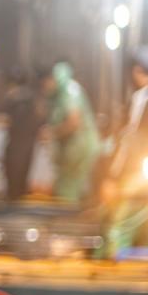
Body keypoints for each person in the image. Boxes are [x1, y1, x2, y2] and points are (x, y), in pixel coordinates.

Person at [102, 46, 148, 254]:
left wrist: (112, 177)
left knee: (119, 227)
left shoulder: (142, 98)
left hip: (139, 177)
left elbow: (129, 141)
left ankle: (119, 270)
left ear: (137, 71)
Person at [40, 61, 101, 205]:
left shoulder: (69, 91)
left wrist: (52, 132)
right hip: (72, 151)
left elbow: (74, 121)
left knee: (69, 191)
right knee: (66, 188)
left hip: (79, 150)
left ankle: (68, 222)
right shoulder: (61, 95)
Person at [4, 68, 43, 201]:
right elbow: (40, 117)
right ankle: (19, 198)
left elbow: (8, 120)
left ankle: (13, 199)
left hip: (16, 140)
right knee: (23, 171)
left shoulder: (12, 98)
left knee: (12, 171)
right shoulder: (33, 98)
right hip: (29, 141)